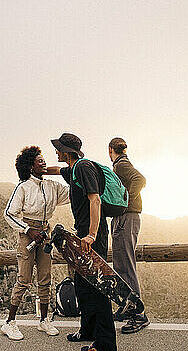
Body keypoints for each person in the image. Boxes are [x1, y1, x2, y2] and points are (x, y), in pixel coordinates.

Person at [48, 133, 117, 351]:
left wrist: (91, 234)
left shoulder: (83, 168)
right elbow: (57, 170)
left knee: (97, 288)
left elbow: (94, 199)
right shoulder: (73, 169)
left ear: (67, 151)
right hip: (83, 235)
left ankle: (105, 344)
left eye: (59, 148)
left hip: (91, 236)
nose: (56, 151)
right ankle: (88, 330)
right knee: (82, 285)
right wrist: (36, 169)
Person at [1, 146, 69, 341]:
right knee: (23, 278)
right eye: (40, 161)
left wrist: (72, 173)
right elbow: (9, 213)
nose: (44, 163)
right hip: (28, 234)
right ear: (31, 166)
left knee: (45, 277)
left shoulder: (52, 186)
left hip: (45, 233)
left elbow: (72, 193)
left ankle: (44, 320)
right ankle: (10, 322)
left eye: (44, 160)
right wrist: (28, 230)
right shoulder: (22, 187)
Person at [108, 137, 150, 333]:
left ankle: (138, 315)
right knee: (121, 265)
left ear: (110, 151)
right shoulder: (122, 163)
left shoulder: (121, 164)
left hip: (127, 217)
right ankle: (127, 305)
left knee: (126, 265)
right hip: (124, 218)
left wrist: (126, 200)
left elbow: (140, 179)